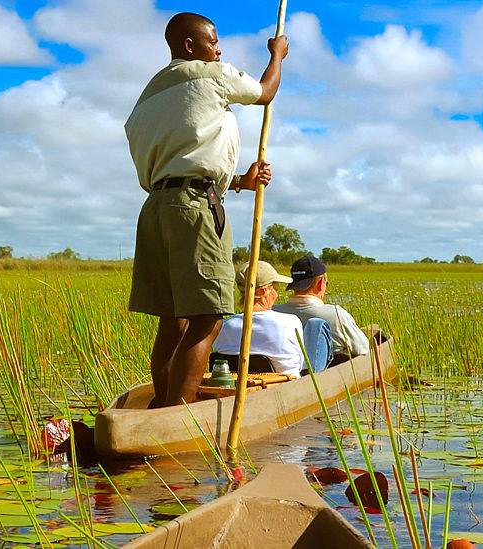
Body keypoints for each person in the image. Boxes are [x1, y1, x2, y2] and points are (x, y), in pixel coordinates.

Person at [125, 12, 288, 408]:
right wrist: (277, 55)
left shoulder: (149, 96)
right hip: (195, 208)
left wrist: (238, 182)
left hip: (157, 208)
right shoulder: (211, 75)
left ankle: (162, 406)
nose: (219, 49)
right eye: (213, 42)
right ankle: (177, 416)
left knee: (174, 319)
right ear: (189, 46)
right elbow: (264, 92)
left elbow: (179, 160)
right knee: (208, 316)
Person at [213, 261, 310, 379]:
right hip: (284, 387)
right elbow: (299, 364)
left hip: (236, 385)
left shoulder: (224, 326)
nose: (276, 294)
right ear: (265, 291)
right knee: (317, 325)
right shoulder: (290, 322)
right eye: (275, 288)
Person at [274, 255, 370, 367]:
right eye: (326, 283)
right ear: (321, 283)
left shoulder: (273, 311)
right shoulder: (336, 315)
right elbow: (363, 350)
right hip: (323, 378)